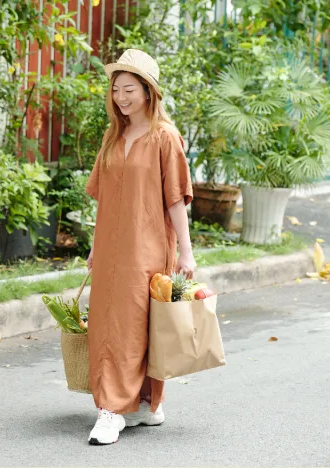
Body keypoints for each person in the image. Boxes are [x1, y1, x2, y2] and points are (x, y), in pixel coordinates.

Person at [84, 49, 196, 445]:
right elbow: (105, 196)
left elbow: (175, 199)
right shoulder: (113, 136)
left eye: (129, 89)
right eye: (116, 89)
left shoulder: (165, 137)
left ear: (148, 91)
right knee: (107, 323)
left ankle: (113, 410)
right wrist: (96, 247)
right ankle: (142, 402)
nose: (121, 97)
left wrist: (186, 250)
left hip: (147, 246)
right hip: (111, 247)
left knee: (136, 324)